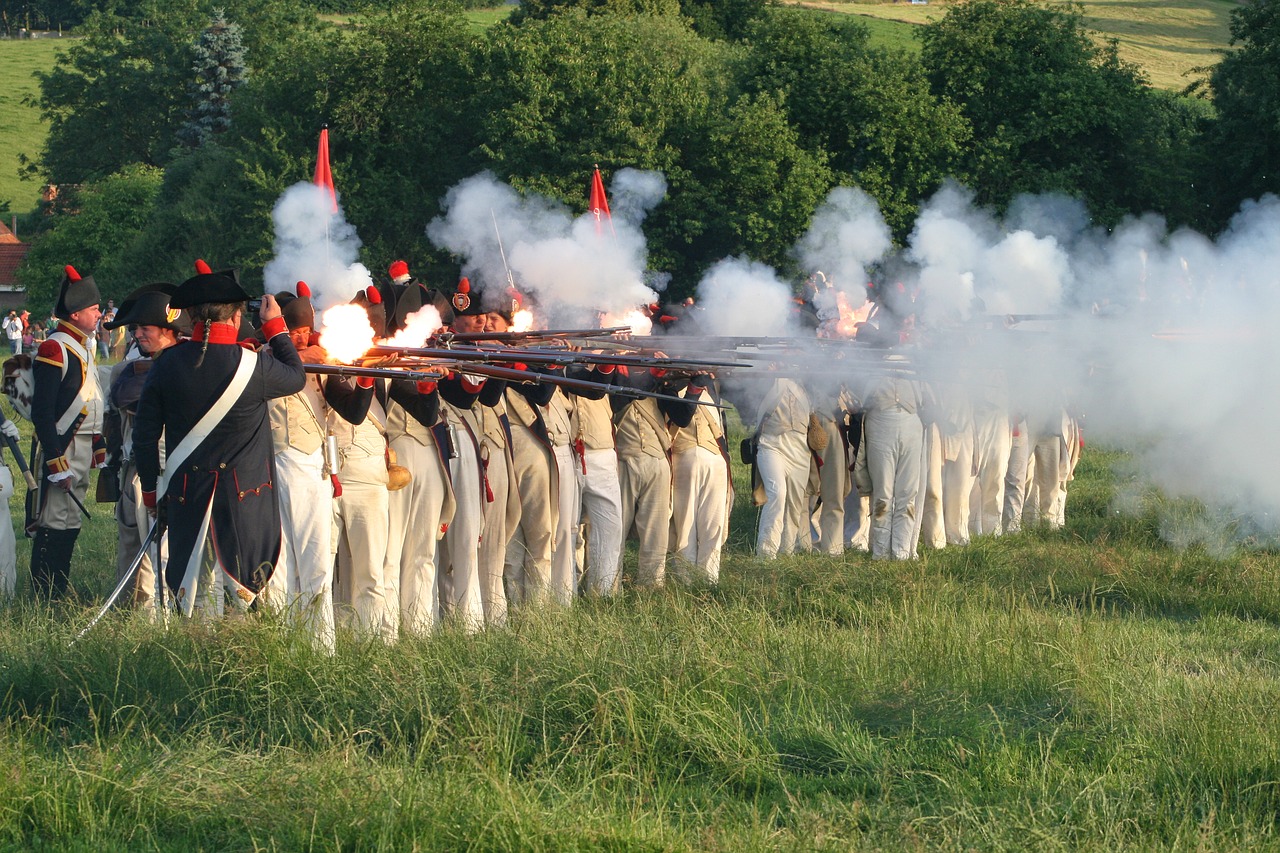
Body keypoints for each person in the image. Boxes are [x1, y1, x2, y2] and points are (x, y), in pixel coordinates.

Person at [133, 261, 305, 616]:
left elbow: (145, 436)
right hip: (244, 499)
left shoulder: (166, 364)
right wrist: (276, 328)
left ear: (193, 317)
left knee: (192, 595)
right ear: (236, 317)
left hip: (185, 493)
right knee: (244, 597)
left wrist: (151, 490)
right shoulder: (253, 366)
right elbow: (296, 376)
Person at [102, 284, 190, 614]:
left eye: (145, 328)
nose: (137, 334)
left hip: (171, 471)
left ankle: (161, 619)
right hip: (137, 470)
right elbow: (123, 401)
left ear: (169, 329)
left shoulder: (188, 363)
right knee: (131, 548)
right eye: (135, 328)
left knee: (163, 555)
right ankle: (134, 616)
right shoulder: (132, 370)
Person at [29, 265, 105, 598]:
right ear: (75, 314)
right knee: (53, 519)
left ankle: (60, 584)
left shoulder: (85, 346)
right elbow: (41, 411)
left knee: (71, 518)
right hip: (62, 444)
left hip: (82, 443)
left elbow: (93, 400)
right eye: (93, 309)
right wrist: (55, 458)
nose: (99, 313)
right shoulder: (54, 348)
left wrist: (98, 443)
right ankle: (46, 589)